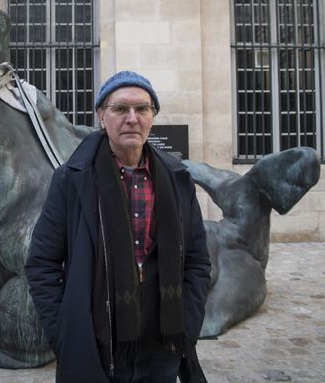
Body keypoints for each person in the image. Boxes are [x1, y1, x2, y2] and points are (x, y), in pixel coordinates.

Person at [25, 71, 211, 383]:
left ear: (152, 116)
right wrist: (65, 334)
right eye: (120, 109)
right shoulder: (72, 179)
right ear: (101, 115)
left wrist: (187, 325)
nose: (132, 118)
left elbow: (197, 260)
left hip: (163, 348)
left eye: (142, 109)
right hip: (97, 347)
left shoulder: (177, 179)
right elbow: (42, 262)